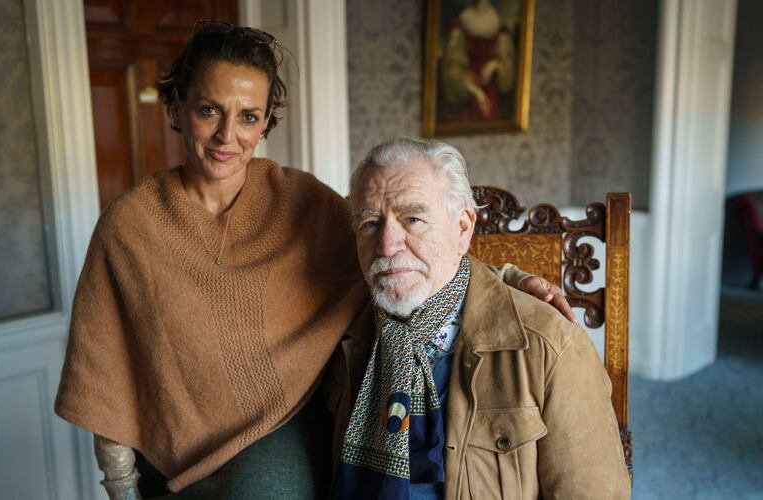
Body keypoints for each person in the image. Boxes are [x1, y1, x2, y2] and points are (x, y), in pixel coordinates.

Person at [54, 22, 574, 499]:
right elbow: (106, 367)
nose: (226, 135)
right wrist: (120, 487)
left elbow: (403, 253)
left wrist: (511, 278)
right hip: (166, 447)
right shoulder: (129, 224)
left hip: (278, 429)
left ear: (265, 124)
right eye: (208, 109)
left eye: (249, 117)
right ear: (176, 109)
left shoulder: (300, 202)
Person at [326, 137, 631, 499]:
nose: (388, 244)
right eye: (371, 223)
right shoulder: (338, 328)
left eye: (413, 219)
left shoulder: (551, 347)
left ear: (463, 228)